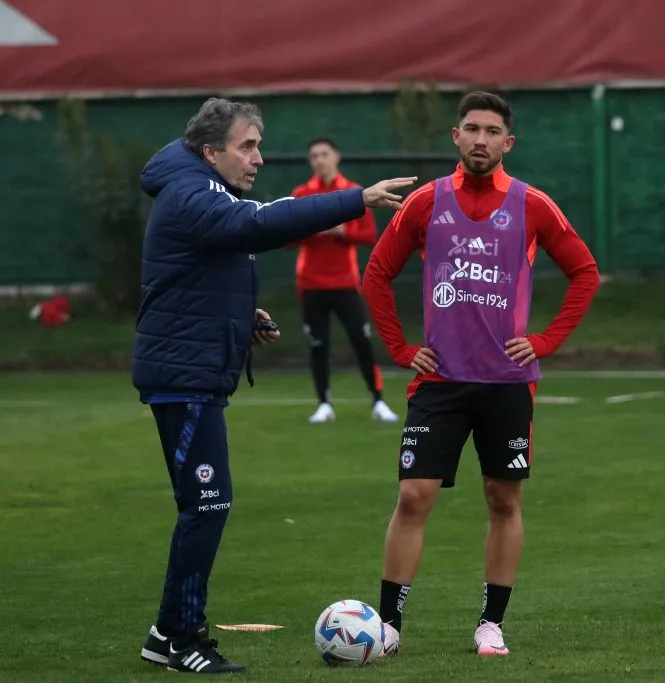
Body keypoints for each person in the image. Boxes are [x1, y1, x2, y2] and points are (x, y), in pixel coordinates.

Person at [132, 96, 414, 675]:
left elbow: (205, 268)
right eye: (248, 146)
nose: (258, 157)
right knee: (206, 505)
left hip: (195, 372)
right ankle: (178, 636)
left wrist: (242, 317)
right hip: (182, 379)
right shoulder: (192, 192)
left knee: (207, 505)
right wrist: (353, 199)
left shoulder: (197, 186)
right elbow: (257, 226)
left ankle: (170, 632)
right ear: (211, 151)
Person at [361, 91, 601, 657]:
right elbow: (376, 273)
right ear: (455, 136)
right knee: (414, 496)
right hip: (440, 381)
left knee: (502, 499)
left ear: (507, 143)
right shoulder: (424, 202)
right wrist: (399, 348)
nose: (480, 140)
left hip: (507, 385)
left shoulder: (533, 205)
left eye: (492, 131)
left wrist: (543, 342)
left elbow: (585, 273)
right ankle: (389, 624)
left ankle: (491, 623)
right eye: (471, 128)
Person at [288, 138, 400, 425]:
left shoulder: (353, 193)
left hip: (345, 283)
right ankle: (324, 403)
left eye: (324, 154)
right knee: (318, 345)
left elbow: (368, 236)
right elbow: (285, 237)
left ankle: (378, 401)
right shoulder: (301, 194)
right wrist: (314, 227)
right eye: (314, 155)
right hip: (311, 284)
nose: (319, 160)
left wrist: (342, 232)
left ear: (336, 157)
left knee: (362, 342)